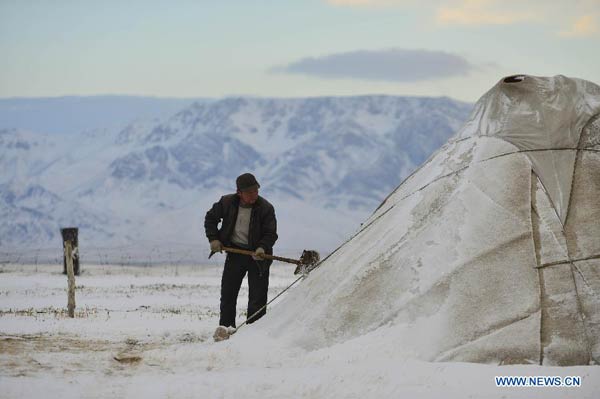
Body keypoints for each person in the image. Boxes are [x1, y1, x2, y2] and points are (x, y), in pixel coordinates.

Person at [204, 173, 278, 329]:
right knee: (228, 294)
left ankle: (253, 332)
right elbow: (211, 218)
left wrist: (262, 247)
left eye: (256, 191)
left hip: (259, 257)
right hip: (235, 253)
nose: (254, 195)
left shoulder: (266, 208)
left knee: (257, 298)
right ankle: (226, 328)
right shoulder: (227, 202)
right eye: (249, 192)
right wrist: (214, 239)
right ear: (239, 193)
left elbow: (271, 233)